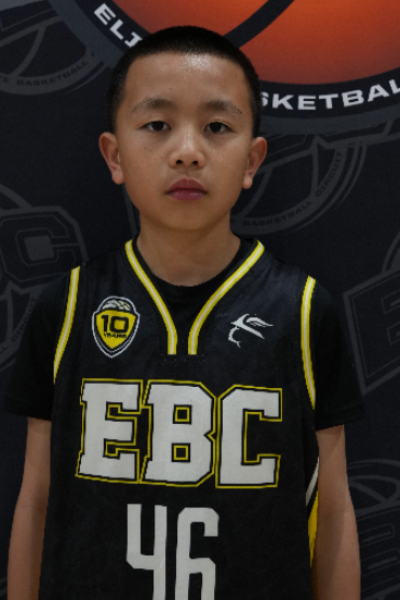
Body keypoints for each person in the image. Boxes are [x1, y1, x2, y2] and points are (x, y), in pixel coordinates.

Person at [3, 25, 363, 600]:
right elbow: (37, 499)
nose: (188, 150)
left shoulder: (302, 310)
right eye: (157, 125)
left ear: (252, 159)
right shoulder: (66, 306)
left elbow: (334, 508)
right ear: (115, 155)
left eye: (217, 127)